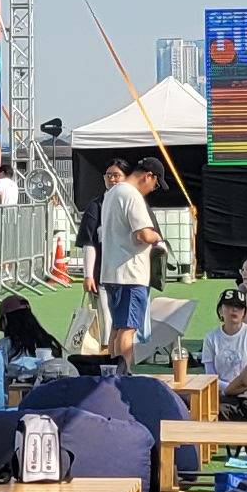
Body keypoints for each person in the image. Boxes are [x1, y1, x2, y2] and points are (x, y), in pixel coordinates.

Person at [96, 155, 160, 367]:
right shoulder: (132, 195)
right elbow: (143, 234)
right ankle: (123, 375)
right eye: (155, 184)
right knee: (128, 329)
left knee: (117, 327)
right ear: (148, 176)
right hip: (130, 273)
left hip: (111, 272)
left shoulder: (112, 193)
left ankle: (113, 373)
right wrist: (158, 238)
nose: (152, 189)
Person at [196, 289, 247, 390]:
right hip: (221, 392)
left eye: (239, 307)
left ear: (244, 312)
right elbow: (210, 375)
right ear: (220, 310)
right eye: (229, 306)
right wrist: (229, 388)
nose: (234, 309)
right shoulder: (211, 338)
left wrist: (238, 388)